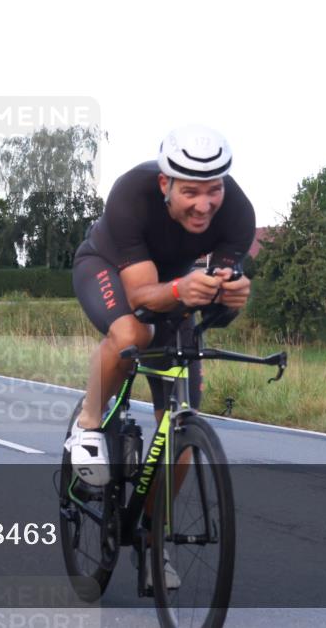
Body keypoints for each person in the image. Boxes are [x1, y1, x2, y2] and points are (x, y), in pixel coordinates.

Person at [66, 125, 255, 586]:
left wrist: (230, 298)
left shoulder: (238, 213)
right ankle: (87, 425)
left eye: (213, 190)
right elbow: (141, 298)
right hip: (109, 270)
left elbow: (215, 306)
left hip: (172, 289)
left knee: (180, 431)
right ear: (165, 183)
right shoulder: (132, 194)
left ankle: (151, 538)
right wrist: (180, 290)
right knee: (133, 332)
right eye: (191, 192)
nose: (204, 205)